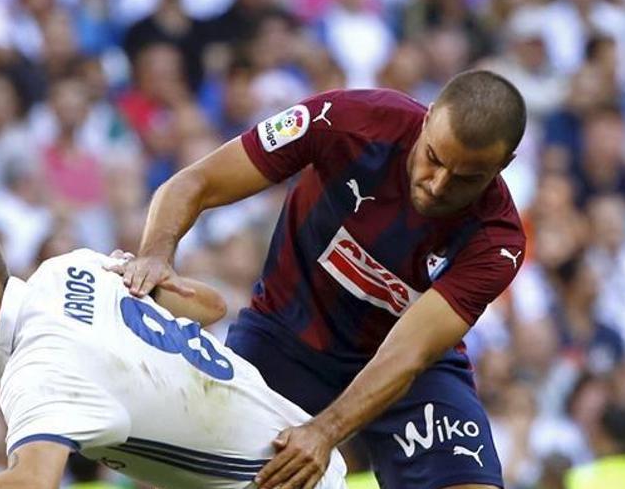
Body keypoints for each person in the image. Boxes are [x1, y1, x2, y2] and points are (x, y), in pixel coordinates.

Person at [111, 69, 527, 489]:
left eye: (467, 178)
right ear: (428, 118)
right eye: (433, 158)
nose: (438, 185)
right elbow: (194, 182)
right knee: (190, 469)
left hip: (403, 370)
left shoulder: (497, 242)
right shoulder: (346, 119)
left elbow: (409, 354)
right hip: (283, 338)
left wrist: (324, 433)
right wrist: (155, 255)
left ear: (503, 166)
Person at [0, 210, 347, 489]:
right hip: (306, 458)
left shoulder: (38, 369)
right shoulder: (71, 268)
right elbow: (209, 306)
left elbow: (34, 481)